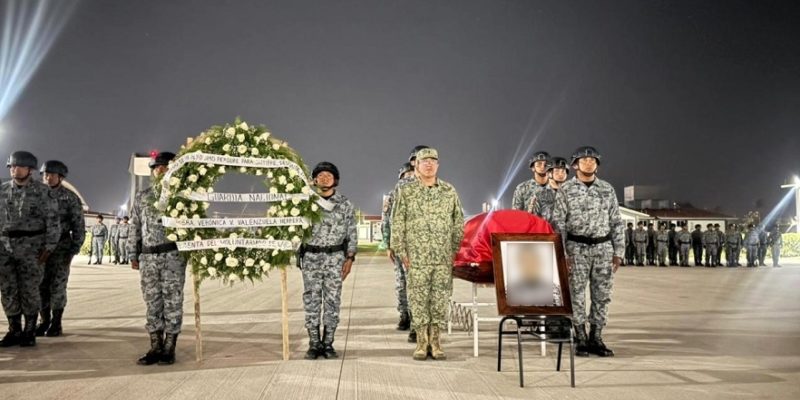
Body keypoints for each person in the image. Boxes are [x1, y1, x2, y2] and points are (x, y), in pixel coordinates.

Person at [391, 147, 464, 361]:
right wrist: (401, 251)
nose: (429, 164)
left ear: (438, 165)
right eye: (425, 161)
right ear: (416, 165)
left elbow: (458, 221)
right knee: (418, 299)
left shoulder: (449, 191)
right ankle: (422, 342)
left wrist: (453, 249)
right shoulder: (406, 191)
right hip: (417, 258)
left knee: (440, 299)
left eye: (433, 161)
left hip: (442, 257)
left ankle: (436, 342)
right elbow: (397, 222)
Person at [552, 146, 623, 358]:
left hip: (603, 249)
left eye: (593, 160)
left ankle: (596, 337)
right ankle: (580, 337)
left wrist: (618, 252)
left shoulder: (607, 189)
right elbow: (559, 224)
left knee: (602, 295)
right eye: (584, 160)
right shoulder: (566, 190)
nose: (589, 163)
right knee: (576, 294)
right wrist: (563, 255)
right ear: (575, 165)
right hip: (576, 249)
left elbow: (616, 222)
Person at [128, 152, 187, 365]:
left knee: (172, 302)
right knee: (152, 302)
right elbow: (135, 226)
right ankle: (155, 346)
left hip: (173, 257)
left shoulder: (182, 196)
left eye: (163, 166)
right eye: (155, 167)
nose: (158, 170)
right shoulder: (142, 197)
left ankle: (169, 348)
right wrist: (132, 253)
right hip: (148, 257)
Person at [0, 151, 60, 347]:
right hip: (5, 248)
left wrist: (49, 247)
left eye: (19, 166)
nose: (14, 170)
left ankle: (29, 331)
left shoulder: (43, 192)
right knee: (8, 290)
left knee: (30, 289)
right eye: (12, 166)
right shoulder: (2, 190)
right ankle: (14, 330)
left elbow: (53, 222)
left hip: (32, 248)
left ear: (30, 169)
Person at [299, 162, 357, 360]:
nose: (324, 178)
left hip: (335, 259)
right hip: (311, 259)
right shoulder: (305, 202)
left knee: (333, 301)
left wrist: (350, 258)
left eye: (328, 175)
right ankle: (314, 344)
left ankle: (328, 343)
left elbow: (351, 233)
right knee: (311, 300)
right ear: (314, 180)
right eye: (320, 175)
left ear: (335, 180)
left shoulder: (344, 204)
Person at [382, 146, 428, 343]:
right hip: (402, 246)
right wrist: (388, 244)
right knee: (403, 284)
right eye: (405, 175)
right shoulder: (396, 192)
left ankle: (418, 323)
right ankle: (406, 316)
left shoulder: (432, 187)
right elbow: (387, 220)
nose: (408, 177)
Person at [36, 160, 85, 337]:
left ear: (60, 177)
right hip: (40, 248)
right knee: (40, 285)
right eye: (44, 174)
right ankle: (44, 321)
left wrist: (74, 249)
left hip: (61, 248)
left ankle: (56, 323)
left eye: (51, 174)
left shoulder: (70, 198)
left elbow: (78, 226)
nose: (47, 178)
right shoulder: (37, 195)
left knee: (57, 285)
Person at [527, 156, 569, 225]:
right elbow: (532, 221)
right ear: (548, 173)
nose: (561, 174)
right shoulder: (539, 195)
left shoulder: (572, 193)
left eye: (563, 171)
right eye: (557, 171)